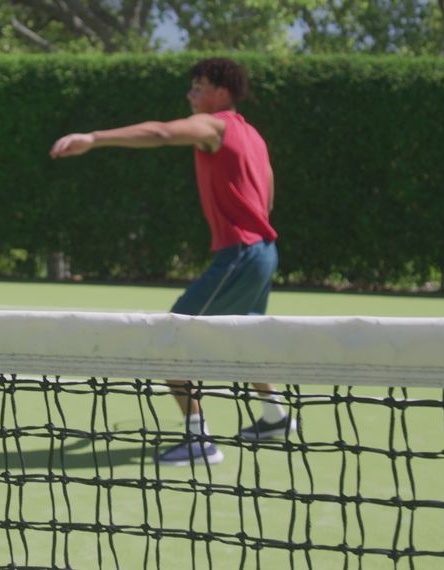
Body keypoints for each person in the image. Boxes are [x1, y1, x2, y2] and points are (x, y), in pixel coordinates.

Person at [49, 57, 296, 466]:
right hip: (263, 253)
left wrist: (93, 138)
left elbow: (163, 132)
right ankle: (275, 417)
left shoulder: (214, 125)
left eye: (197, 86)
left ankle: (199, 442)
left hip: (240, 254)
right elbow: (266, 198)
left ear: (221, 92)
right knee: (243, 339)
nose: (190, 94)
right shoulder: (254, 136)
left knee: (168, 341)